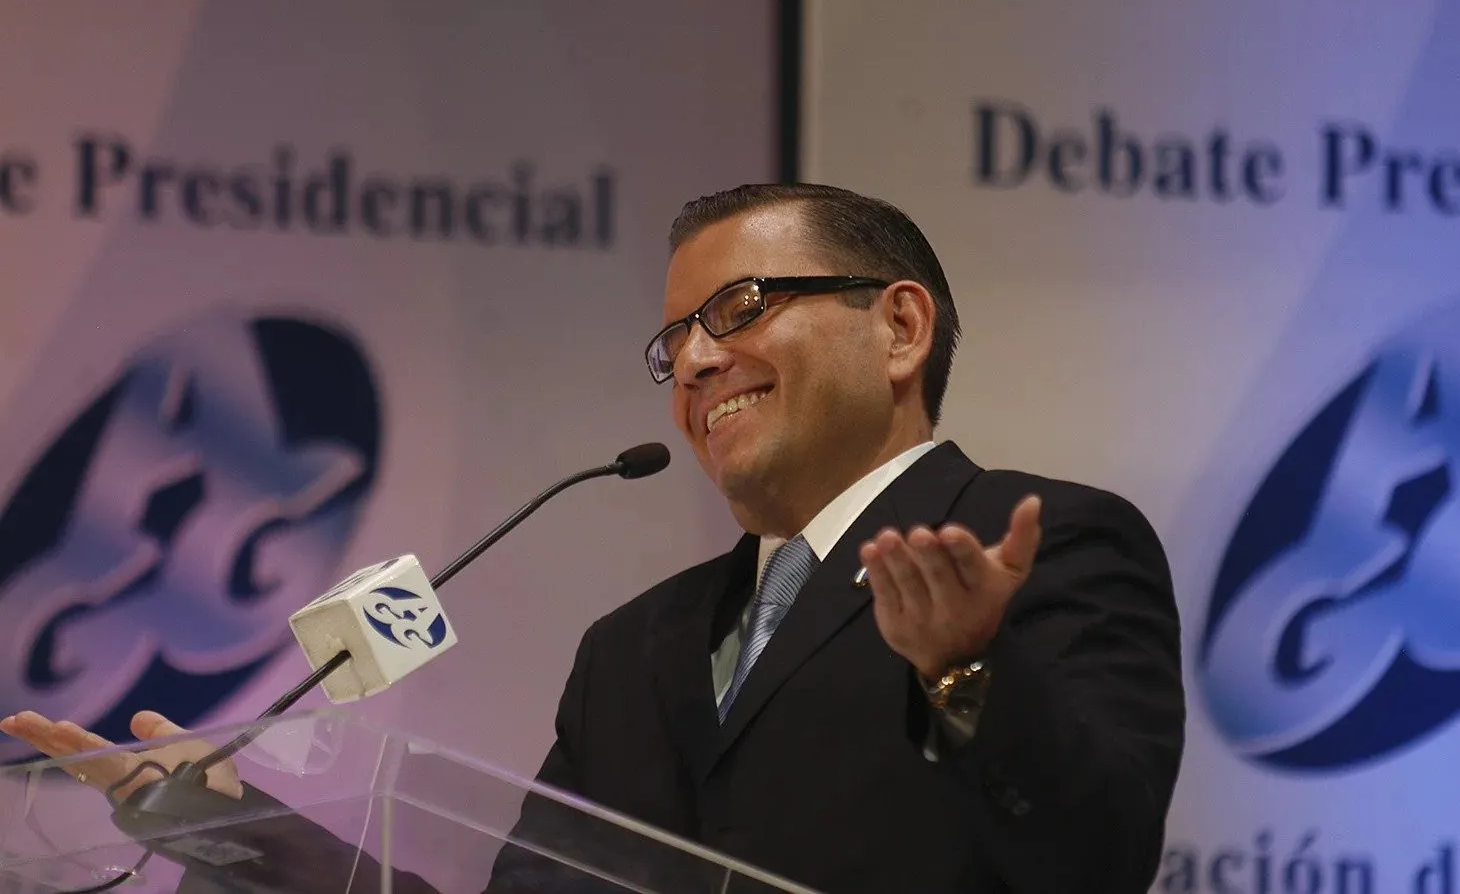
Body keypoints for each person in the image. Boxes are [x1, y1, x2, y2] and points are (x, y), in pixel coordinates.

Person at [2, 184, 1185, 894]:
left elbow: (1097, 858)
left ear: (900, 327)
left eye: (740, 308)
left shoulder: (1052, 544)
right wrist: (233, 828)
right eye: (675, 344)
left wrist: (965, 670)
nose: (699, 360)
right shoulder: (637, 647)